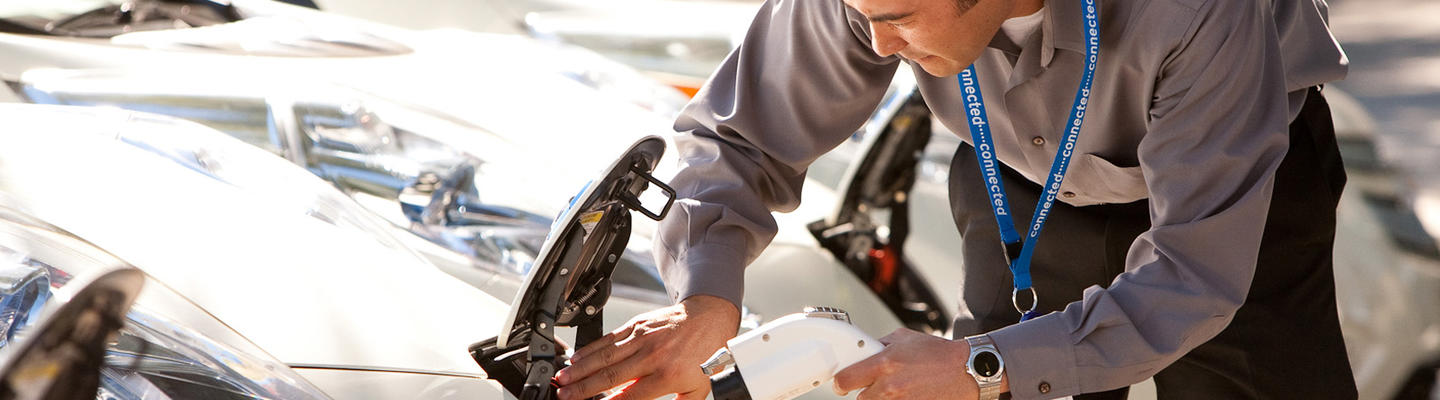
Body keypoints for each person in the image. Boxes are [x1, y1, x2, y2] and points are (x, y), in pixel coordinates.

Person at [554, 0, 1355, 398]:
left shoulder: (1199, 10)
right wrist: (708, 299)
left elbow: (1191, 278)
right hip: (1020, 185)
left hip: (1236, 196)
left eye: (897, 20)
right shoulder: (870, 2)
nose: (875, 47)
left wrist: (984, 366)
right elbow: (737, 140)